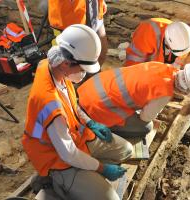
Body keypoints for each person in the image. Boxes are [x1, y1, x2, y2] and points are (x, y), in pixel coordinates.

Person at [22, 24, 133, 200]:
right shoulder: (49, 103)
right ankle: (53, 180)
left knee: (126, 150)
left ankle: (87, 172)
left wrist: (90, 123)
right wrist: (102, 168)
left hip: (75, 138)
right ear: (66, 63)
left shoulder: (54, 68)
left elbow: (73, 104)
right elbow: (68, 154)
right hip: (55, 157)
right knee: (110, 199)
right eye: (82, 69)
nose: (83, 74)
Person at [77, 61, 190, 138]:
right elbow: (145, 118)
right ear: (186, 90)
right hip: (96, 107)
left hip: (89, 88)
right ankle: (107, 128)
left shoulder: (162, 66)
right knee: (146, 127)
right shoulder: (164, 92)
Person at [48, 0, 108, 66]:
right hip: (70, 17)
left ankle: (90, 75)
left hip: (94, 12)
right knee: (73, 63)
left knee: (101, 55)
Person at [124, 18, 190, 69]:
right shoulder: (148, 31)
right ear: (168, 44)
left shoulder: (183, 42)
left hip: (161, 66)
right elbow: (133, 62)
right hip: (144, 65)